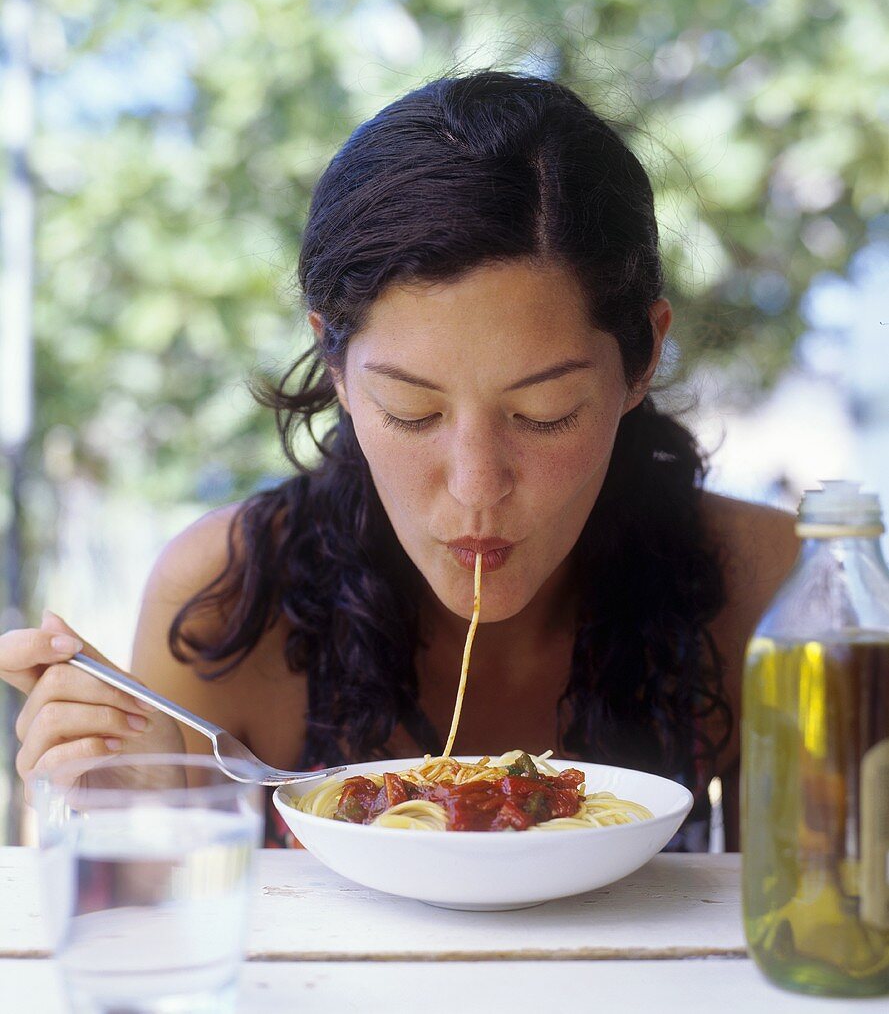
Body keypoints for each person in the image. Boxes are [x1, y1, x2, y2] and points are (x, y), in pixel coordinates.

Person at [1, 70, 799, 849]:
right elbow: (165, 937)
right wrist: (128, 812)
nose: (476, 485)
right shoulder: (228, 603)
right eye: (411, 412)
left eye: (543, 415)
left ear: (642, 356)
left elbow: (831, 923)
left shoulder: (773, 595)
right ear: (336, 367)